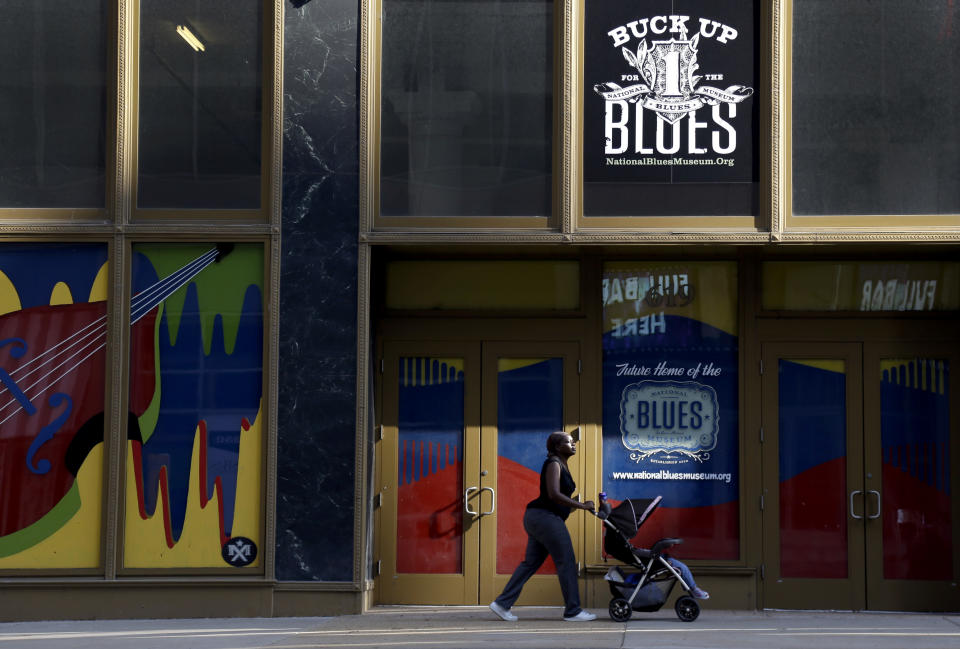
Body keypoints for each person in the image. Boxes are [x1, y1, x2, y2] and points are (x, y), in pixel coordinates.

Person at [489, 431, 597, 622]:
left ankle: (502, 603)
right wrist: (581, 505)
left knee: (530, 563)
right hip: (545, 518)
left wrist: (577, 505)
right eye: (569, 442)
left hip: (539, 518)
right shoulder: (554, 463)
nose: (573, 445)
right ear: (557, 446)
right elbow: (553, 494)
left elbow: (556, 499)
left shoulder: (561, 464)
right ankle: (573, 610)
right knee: (566, 561)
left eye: (573, 442)